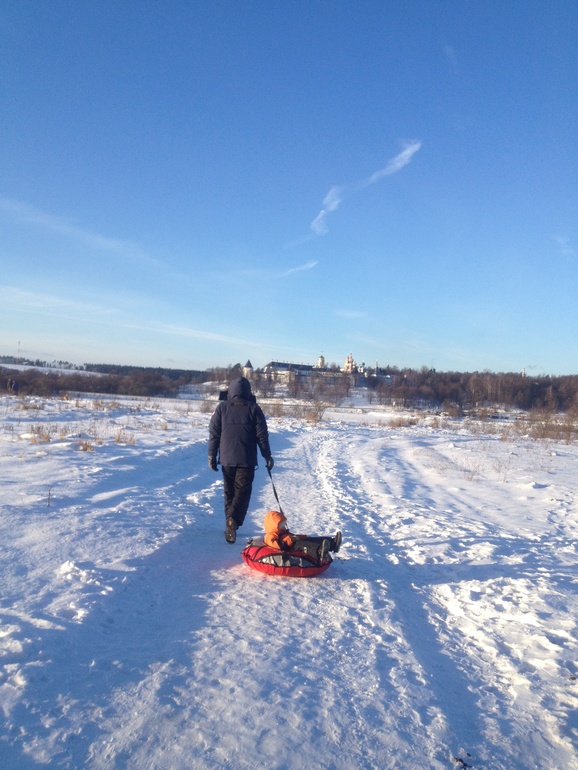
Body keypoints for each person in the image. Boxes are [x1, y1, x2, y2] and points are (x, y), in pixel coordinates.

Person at [208, 376, 273, 543]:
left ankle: (230, 523)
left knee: (229, 492)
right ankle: (233, 520)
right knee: (242, 492)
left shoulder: (221, 408)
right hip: (246, 459)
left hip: (226, 459)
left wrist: (212, 455)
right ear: (248, 391)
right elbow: (262, 436)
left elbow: (214, 434)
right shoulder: (254, 408)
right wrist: (267, 455)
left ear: (231, 391)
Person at [263, 509, 342, 562]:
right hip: (290, 548)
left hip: (294, 542)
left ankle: (333, 543)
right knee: (305, 545)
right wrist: (291, 539)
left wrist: (301, 537)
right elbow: (278, 545)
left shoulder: (283, 532)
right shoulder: (269, 536)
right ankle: (319, 552)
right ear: (274, 526)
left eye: (284, 524)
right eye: (281, 525)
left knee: (310, 540)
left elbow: (293, 536)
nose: (283, 527)